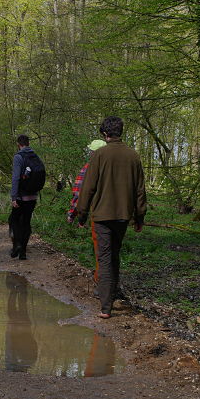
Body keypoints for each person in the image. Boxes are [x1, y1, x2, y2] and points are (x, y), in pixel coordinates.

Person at [77, 116, 147, 319]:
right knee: (114, 255)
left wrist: (81, 215)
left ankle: (106, 307)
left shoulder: (99, 155)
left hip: (102, 215)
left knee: (105, 258)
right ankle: (112, 296)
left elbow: (87, 188)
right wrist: (139, 217)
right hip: (123, 216)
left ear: (105, 134)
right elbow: (140, 190)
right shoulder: (133, 156)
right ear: (120, 132)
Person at [67, 139, 107, 284]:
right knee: (112, 251)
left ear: (92, 153)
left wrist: (73, 214)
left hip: (98, 214)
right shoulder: (113, 167)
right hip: (118, 216)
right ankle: (110, 283)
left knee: (101, 251)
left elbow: (78, 193)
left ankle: (101, 283)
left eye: (90, 151)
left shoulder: (88, 168)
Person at [9, 134, 46, 261]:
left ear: (18, 144)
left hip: (21, 196)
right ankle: (23, 253)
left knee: (13, 220)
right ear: (28, 143)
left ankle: (18, 244)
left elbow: (15, 178)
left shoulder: (18, 157)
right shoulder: (35, 156)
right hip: (33, 197)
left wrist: (14, 196)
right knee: (26, 222)